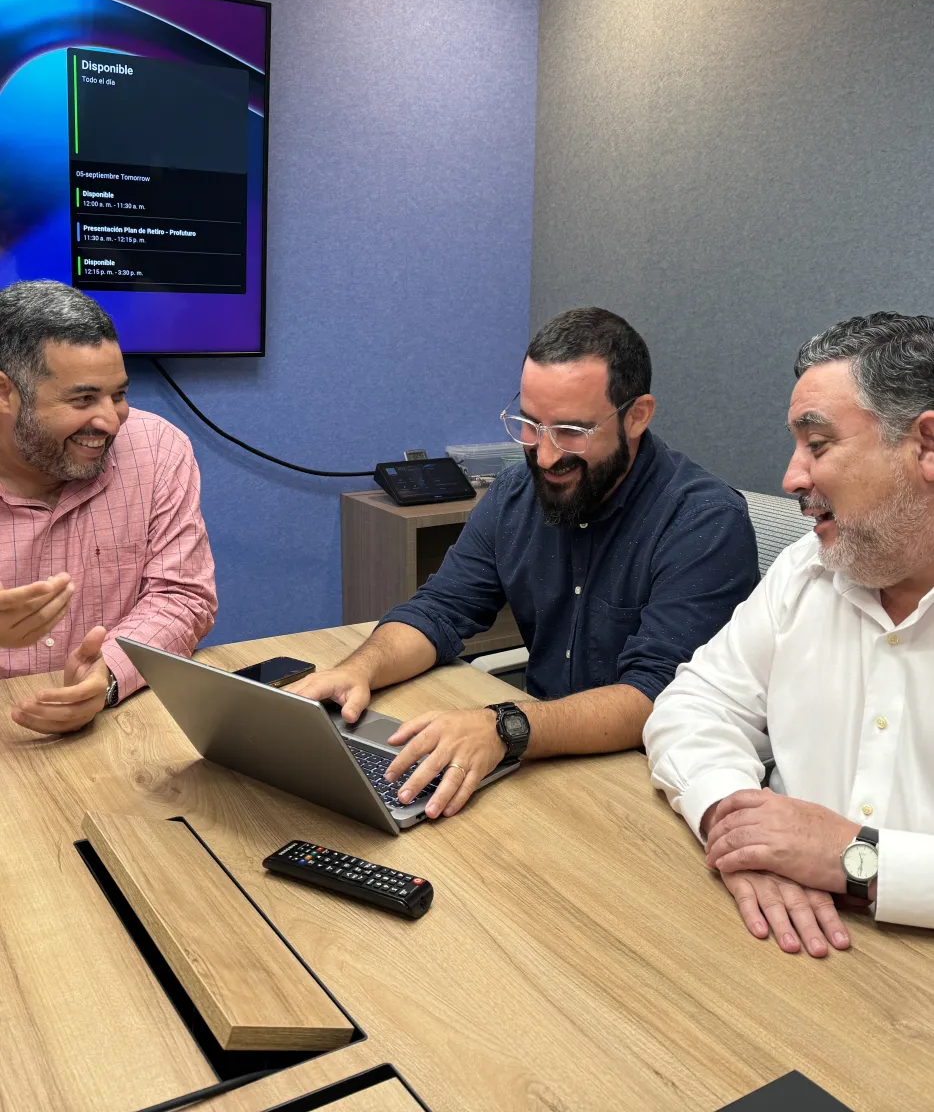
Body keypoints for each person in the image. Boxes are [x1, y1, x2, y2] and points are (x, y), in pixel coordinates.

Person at [294, 307, 758, 817]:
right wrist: (360, 670)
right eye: (531, 425)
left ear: (637, 415)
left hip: (645, 785)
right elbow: (440, 610)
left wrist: (505, 726)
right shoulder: (516, 493)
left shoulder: (704, 521)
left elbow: (655, 696)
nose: (544, 456)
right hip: (539, 760)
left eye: (571, 430)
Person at [645, 311, 934, 956]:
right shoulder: (810, 567)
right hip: (774, 939)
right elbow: (695, 705)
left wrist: (859, 863)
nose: (791, 478)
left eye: (819, 445)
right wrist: (735, 817)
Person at [0, 280, 217, 733]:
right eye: (83, 399)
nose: (109, 421)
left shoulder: (157, 449)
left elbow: (182, 597)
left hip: (118, 726)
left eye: (117, 395)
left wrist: (108, 677)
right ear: (5, 393)